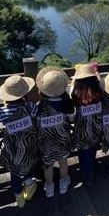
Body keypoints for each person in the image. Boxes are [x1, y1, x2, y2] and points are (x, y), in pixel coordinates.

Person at [0, 75, 39, 208]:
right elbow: (35, 115)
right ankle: (29, 186)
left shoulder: (2, 111)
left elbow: (1, 120)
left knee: (14, 173)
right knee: (29, 165)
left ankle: (19, 198)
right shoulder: (30, 106)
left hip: (12, 147)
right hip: (28, 145)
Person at [35, 67, 74, 198]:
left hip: (46, 142)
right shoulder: (66, 103)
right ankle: (63, 184)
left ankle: (49, 187)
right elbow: (71, 119)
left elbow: (36, 122)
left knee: (48, 165)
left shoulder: (40, 105)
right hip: (62, 139)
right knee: (63, 162)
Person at [71, 63, 104, 185]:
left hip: (82, 131)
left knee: (84, 153)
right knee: (93, 149)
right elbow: (101, 83)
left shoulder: (76, 94)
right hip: (96, 128)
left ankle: (87, 175)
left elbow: (71, 87)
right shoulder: (99, 91)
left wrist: (76, 73)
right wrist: (96, 71)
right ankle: (91, 170)